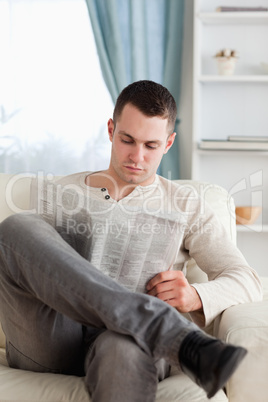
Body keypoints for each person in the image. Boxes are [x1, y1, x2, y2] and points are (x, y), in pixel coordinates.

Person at [0, 80, 262, 402]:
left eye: (151, 146)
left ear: (168, 143)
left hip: (125, 341)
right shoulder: (62, 191)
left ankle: (147, 325)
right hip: (52, 341)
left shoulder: (186, 204)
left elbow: (246, 279)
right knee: (14, 228)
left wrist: (195, 295)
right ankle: (161, 326)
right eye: (127, 140)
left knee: (123, 346)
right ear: (111, 130)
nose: (137, 156)